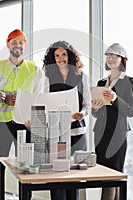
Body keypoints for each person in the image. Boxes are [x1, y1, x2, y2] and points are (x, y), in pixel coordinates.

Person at [0, 29, 43, 200]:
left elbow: (38, 99)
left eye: (20, 42)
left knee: (25, 168)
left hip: (24, 125)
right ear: (8, 45)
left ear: (24, 46)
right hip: (2, 124)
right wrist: (2, 99)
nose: (17, 45)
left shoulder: (35, 70)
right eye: (14, 42)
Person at [43, 40, 91, 200]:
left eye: (64, 54)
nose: (60, 58)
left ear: (70, 56)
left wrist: (82, 114)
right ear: (53, 58)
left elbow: (87, 105)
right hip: (57, 136)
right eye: (57, 55)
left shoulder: (81, 76)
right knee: (57, 178)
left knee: (74, 178)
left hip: (77, 133)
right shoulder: (48, 78)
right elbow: (44, 104)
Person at [91, 43, 133, 200]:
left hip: (117, 134)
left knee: (112, 177)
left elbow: (131, 111)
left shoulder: (128, 81)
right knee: (107, 175)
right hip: (100, 134)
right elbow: (96, 114)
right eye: (108, 56)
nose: (110, 59)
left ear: (122, 59)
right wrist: (95, 108)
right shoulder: (101, 83)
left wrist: (116, 98)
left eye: (114, 56)